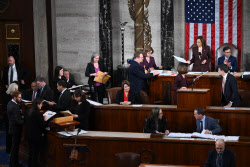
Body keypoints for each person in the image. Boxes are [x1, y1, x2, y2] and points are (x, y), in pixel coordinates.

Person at [26, 98, 47, 167]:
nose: (42, 105)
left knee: (31, 152)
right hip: (36, 137)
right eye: (41, 104)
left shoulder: (29, 111)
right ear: (38, 104)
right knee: (35, 154)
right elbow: (43, 126)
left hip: (29, 135)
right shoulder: (38, 114)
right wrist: (45, 120)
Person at [7, 90, 24, 167]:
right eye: (19, 97)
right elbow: (18, 121)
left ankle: (15, 163)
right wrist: (25, 120)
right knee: (15, 149)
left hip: (12, 128)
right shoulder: (14, 106)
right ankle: (13, 164)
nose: (21, 99)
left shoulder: (10, 103)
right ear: (14, 97)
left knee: (14, 148)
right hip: (15, 130)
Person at [3, 82, 19, 154]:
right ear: (13, 89)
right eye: (17, 89)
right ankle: (9, 149)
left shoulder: (7, 96)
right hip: (8, 118)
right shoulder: (9, 97)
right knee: (9, 134)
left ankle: (8, 149)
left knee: (9, 133)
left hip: (7, 117)